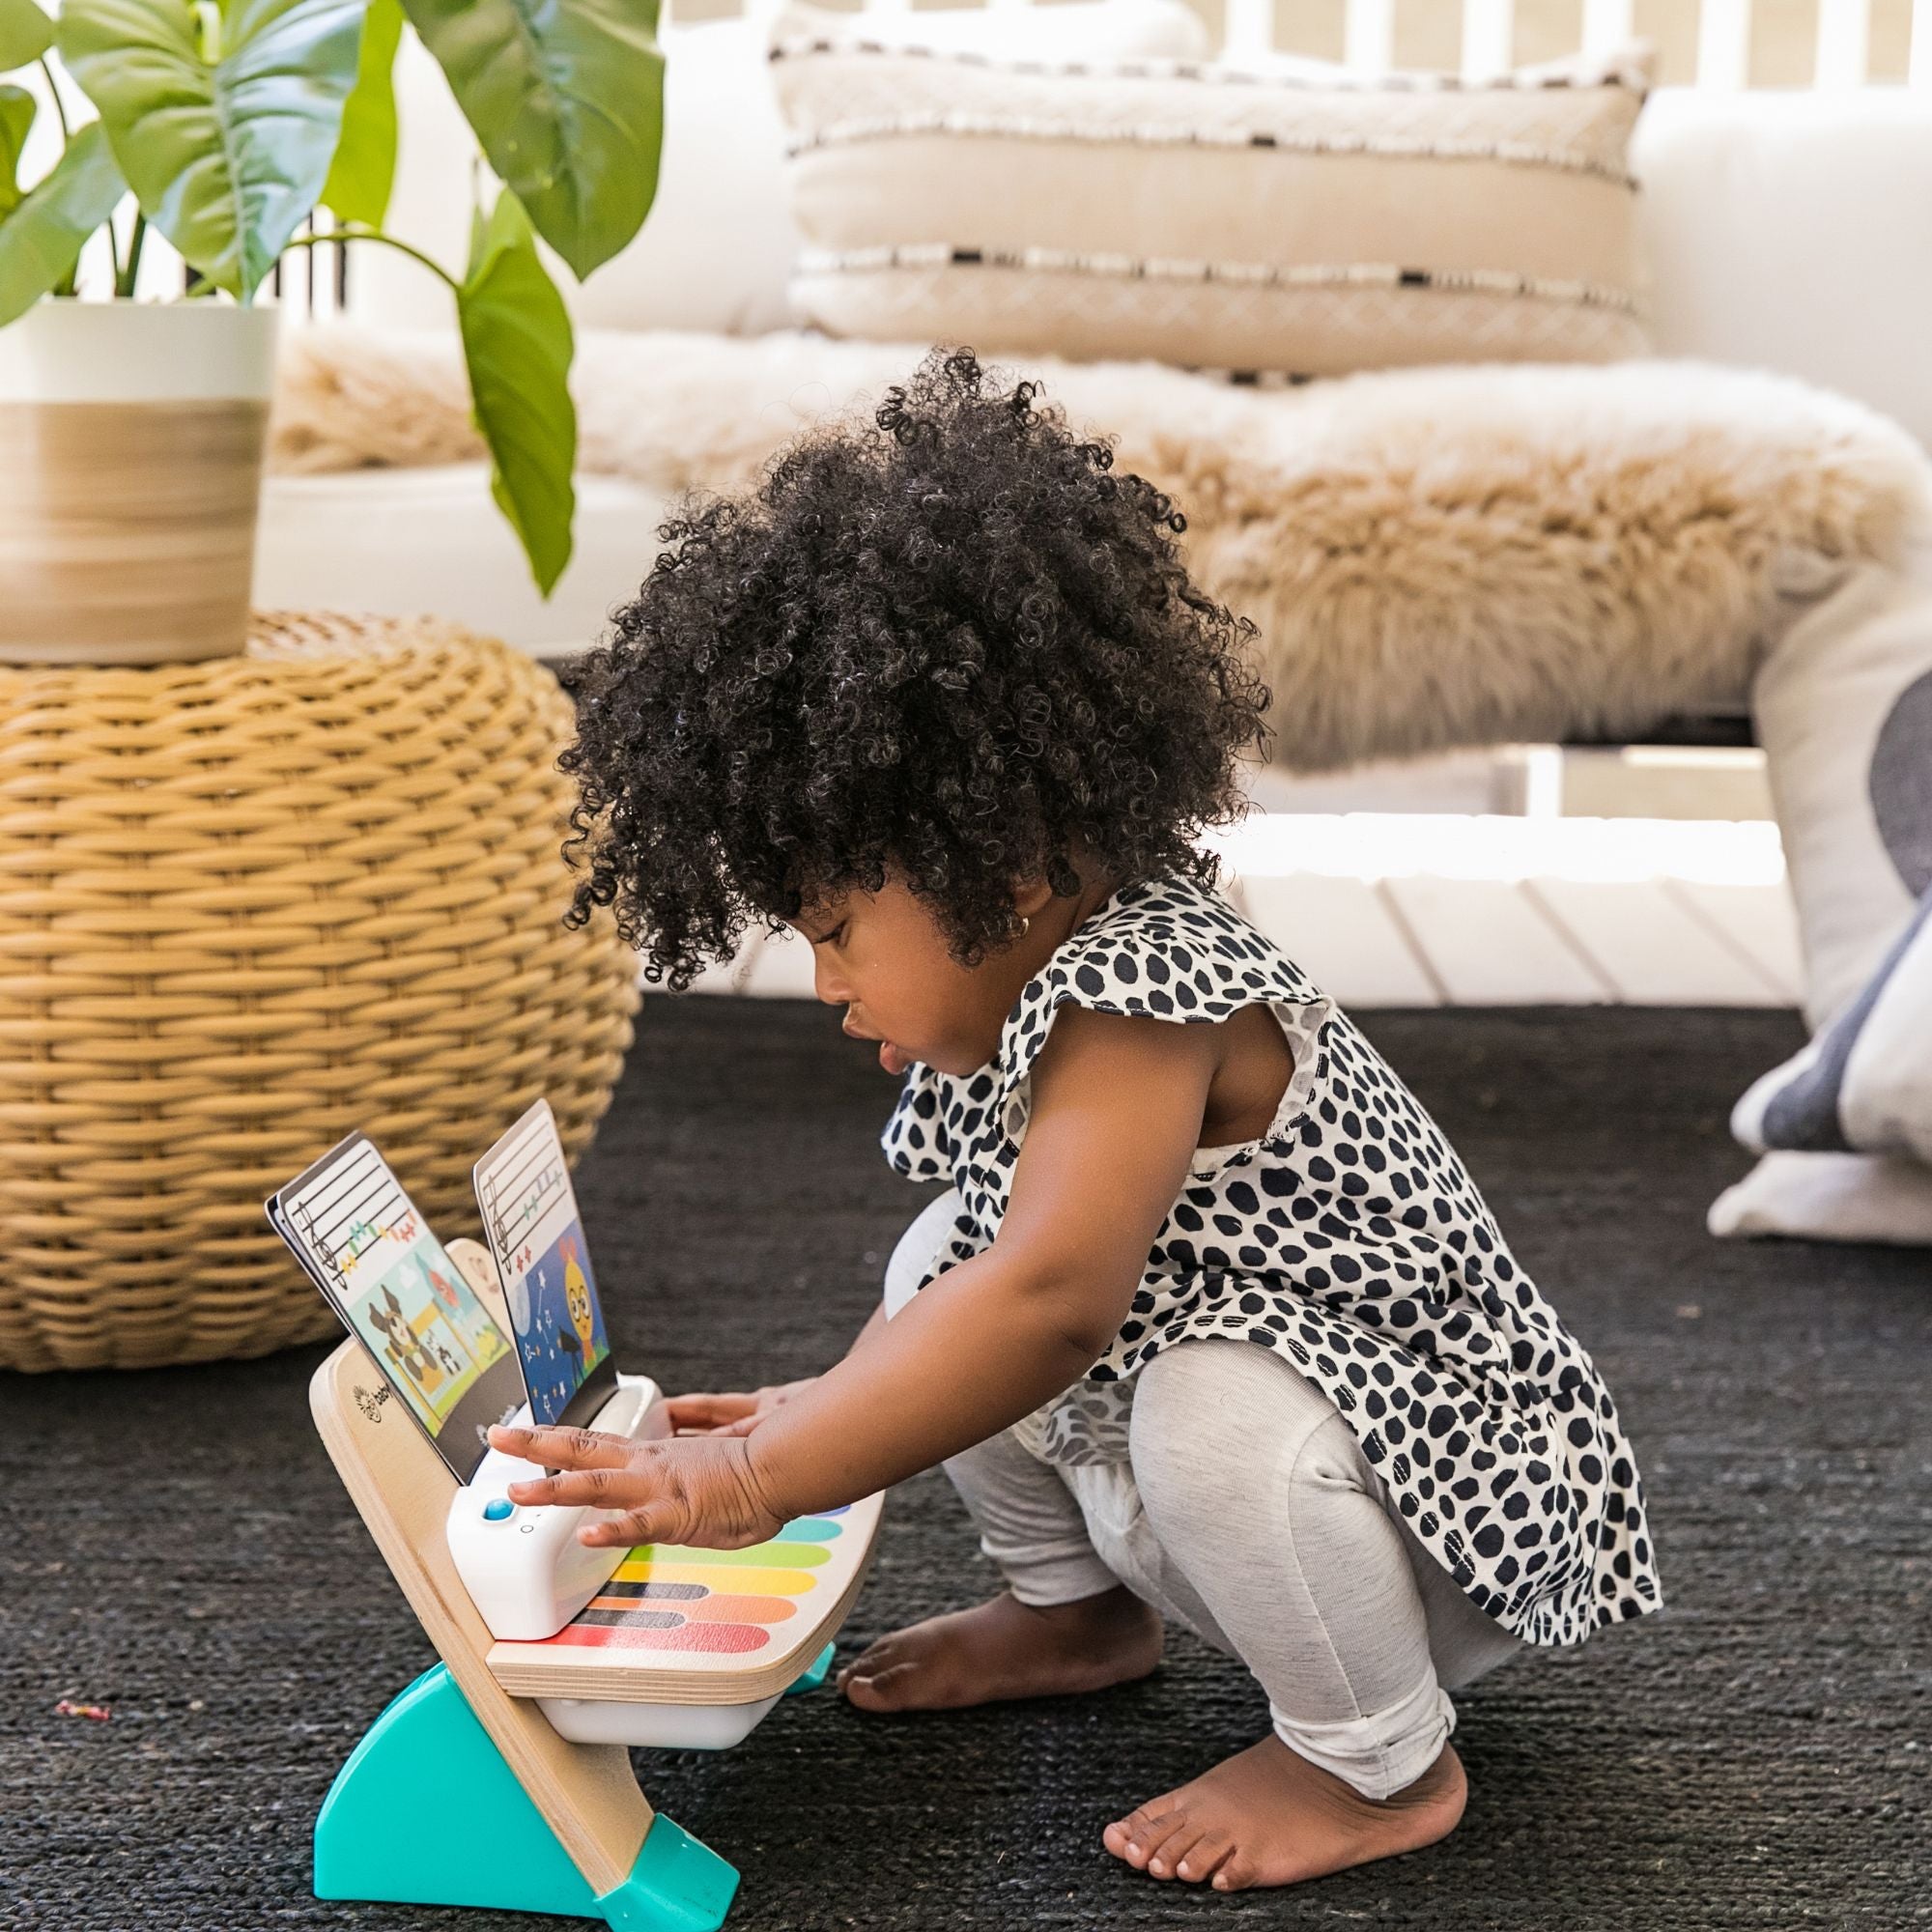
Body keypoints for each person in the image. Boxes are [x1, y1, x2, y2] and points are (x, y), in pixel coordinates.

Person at [487, 349, 1662, 1892]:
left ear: (1014, 861)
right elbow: (997, 1279)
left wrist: (759, 1482)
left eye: (837, 926)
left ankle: (1376, 1759)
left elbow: (1053, 1306)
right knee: (939, 1263)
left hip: (1448, 1494)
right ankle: (1076, 1612)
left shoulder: (1145, 994)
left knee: (1146, 1380)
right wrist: (807, 1403)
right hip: (1290, 1448)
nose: (825, 978)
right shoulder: (1049, 965)